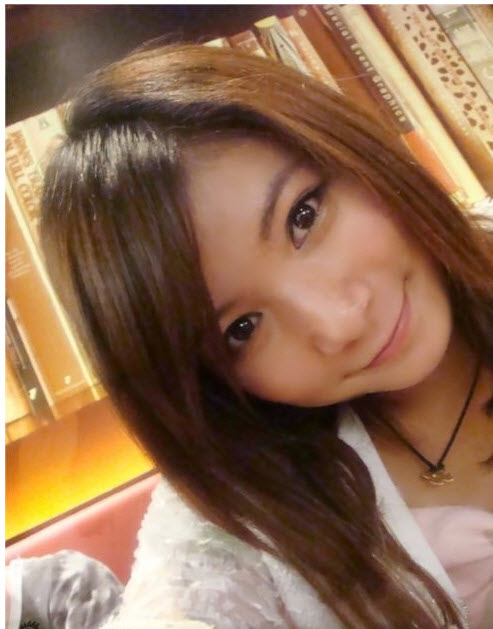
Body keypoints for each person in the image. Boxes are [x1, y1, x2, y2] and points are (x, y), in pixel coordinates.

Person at [39, 42, 493, 629]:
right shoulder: (238, 519)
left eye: (303, 217)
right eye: (242, 329)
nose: (339, 324)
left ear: (347, 146)